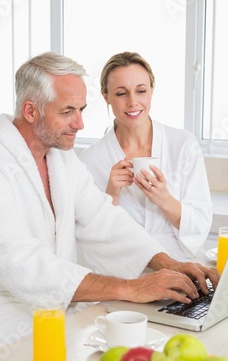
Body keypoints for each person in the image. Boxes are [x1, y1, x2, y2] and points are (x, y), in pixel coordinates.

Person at [0, 52, 218, 361]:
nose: (80, 123)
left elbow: (103, 219)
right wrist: (133, 288)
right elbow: (25, 265)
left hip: (58, 316)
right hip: (0, 329)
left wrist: (167, 263)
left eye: (81, 109)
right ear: (30, 111)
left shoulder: (61, 158)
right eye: (68, 111)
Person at [80, 51, 212, 261]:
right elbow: (93, 238)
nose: (133, 102)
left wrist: (165, 200)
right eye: (121, 94)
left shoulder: (183, 145)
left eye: (141, 91)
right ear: (106, 96)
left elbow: (201, 223)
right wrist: (111, 195)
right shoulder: (91, 161)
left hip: (181, 266)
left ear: (151, 90)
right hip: (126, 271)